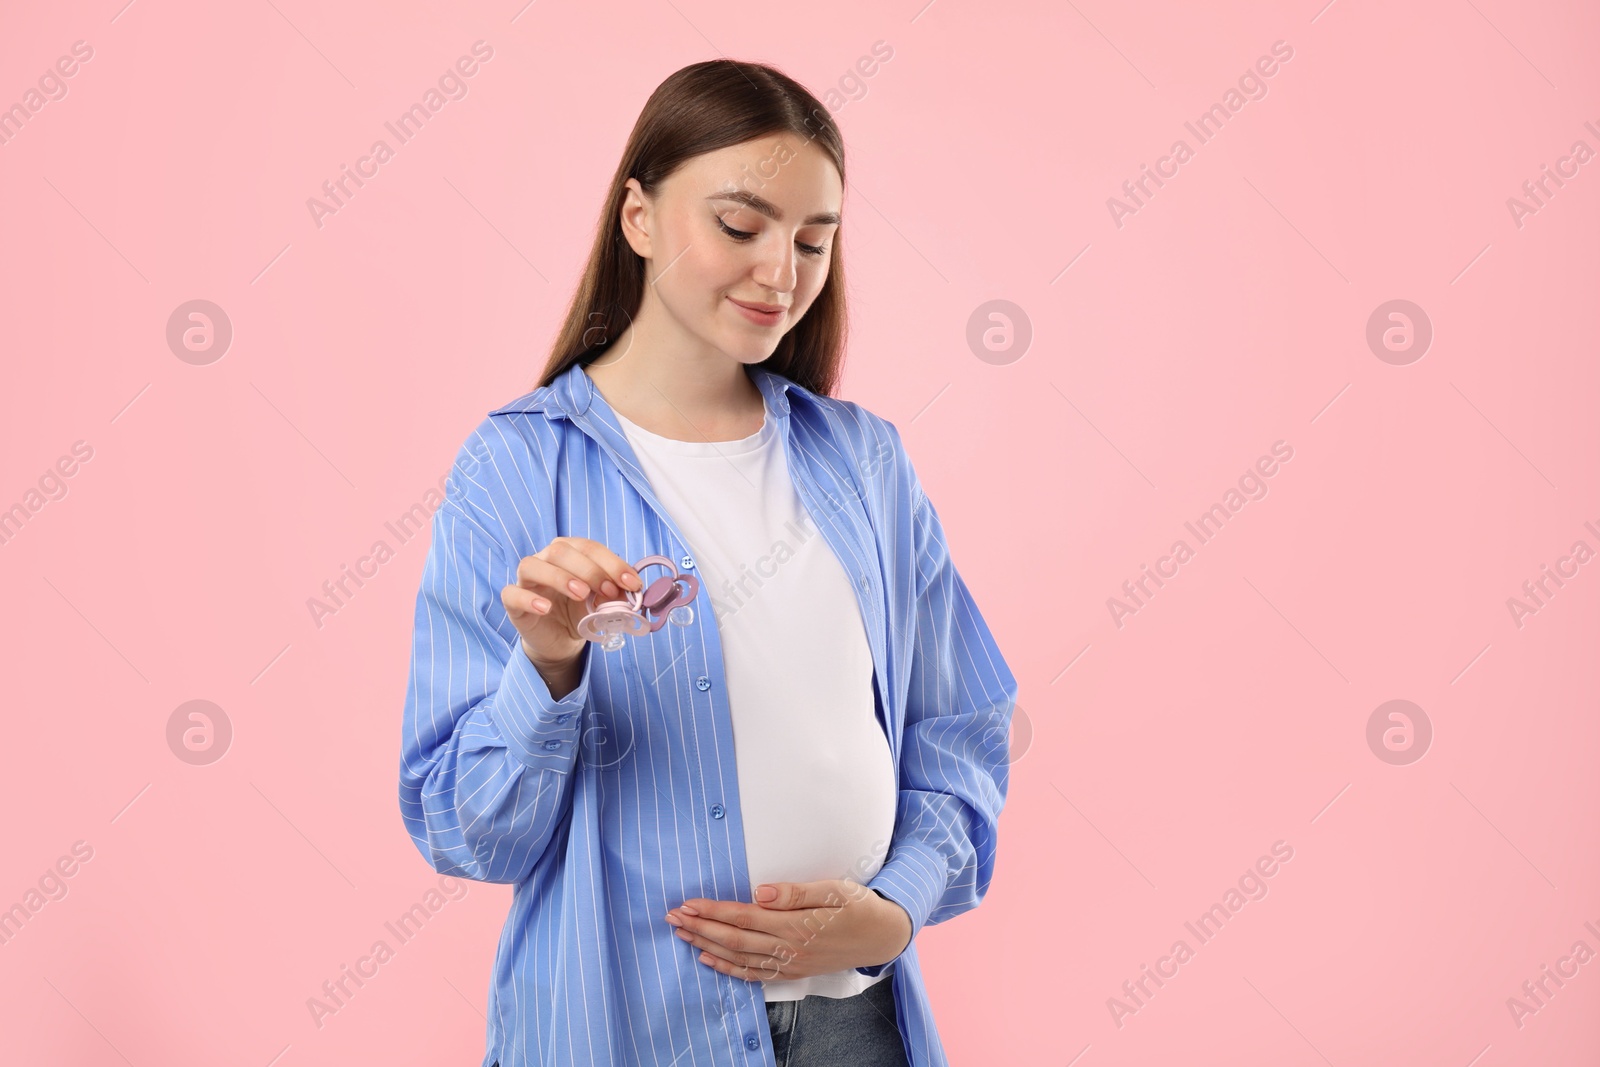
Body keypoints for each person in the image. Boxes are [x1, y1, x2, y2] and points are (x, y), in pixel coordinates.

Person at [397, 58, 1017, 1067]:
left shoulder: (863, 460)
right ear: (637, 216)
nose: (783, 271)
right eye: (740, 227)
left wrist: (894, 910)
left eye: (815, 239)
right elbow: (468, 832)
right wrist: (547, 669)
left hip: (852, 1028)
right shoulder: (517, 466)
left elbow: (958, 729)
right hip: (620, 1027)